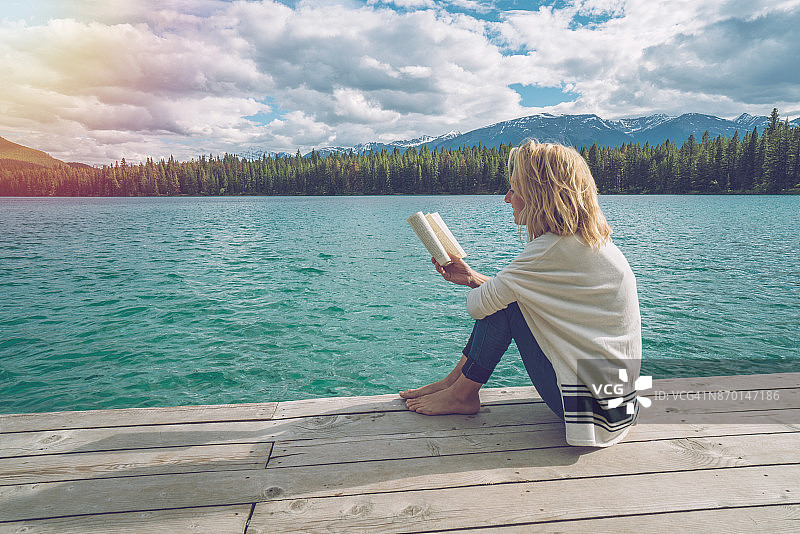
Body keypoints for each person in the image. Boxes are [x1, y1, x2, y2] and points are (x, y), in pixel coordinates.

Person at [400, 141, 642, 447]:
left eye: (514, 189)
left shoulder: (550, 249)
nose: (507, 198)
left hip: (589, 412)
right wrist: (473, 277)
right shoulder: (586, 241)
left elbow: (479, 306)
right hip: (616, 406)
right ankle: (453, 384)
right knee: (510, 298)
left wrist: (478, 286)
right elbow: (521, 291)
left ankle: (461, 394)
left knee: (504, 304)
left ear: (540, 194)